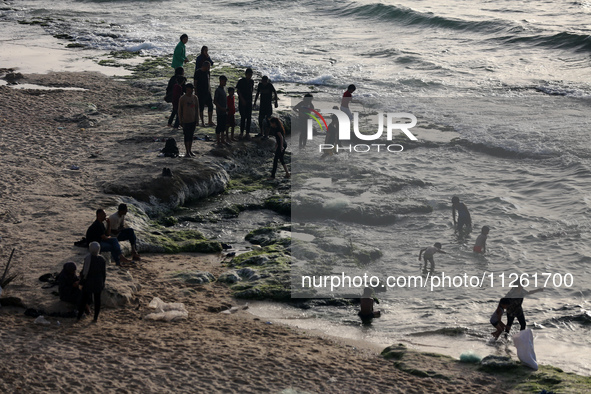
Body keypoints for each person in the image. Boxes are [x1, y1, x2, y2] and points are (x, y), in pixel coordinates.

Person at [77, 242, 107, 322]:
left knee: (84, 300)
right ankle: (95, 318)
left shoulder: (88, 258)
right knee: (97, 301)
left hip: (88, 282)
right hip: (98, 282)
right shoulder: (102, 259)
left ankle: (79, 317)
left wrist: (81, 282)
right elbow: (104, 273)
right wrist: (103, 283)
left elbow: (85, 271)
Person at [178, 83, 199, 157]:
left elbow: (196, 109)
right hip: (185, 121)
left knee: (191, 136)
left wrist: (197, 119)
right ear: (187, 89)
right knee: (186, 136)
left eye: (192, 89)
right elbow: (179, 110)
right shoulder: (182, 98)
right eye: (191, 89)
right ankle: (187, 151)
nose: (192, 90)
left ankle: (190, 150)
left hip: (193, 120)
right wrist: (180, 120)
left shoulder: (195, 98)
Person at [193, 61, 215, 127]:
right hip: (200, 92)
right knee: (201, 107)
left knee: (210, 106)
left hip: (207, 92)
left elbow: (208, 81)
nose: (209, 68)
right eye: (208, 67)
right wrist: (195, 92)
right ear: (204, 66)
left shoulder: (208, 72)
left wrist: (210, 90)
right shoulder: (198, 72)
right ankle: (202, 122)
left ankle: (210, 121)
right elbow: (195, 82)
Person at [236, 68, 254, 139]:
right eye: (249, 74)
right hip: (242, 101)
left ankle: (247, 133)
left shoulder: (252, 81)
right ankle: (241, 132)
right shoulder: (241, 81)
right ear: (246, 74)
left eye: (251, 75)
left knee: (249, 117)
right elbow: (238, 91)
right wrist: (242, 99)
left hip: (249, 101)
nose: (250, 76)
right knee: (243, 117)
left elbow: (251, 91)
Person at [214, 75, 229, 146]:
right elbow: (215, 101)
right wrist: (221, 108)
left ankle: (222, 140)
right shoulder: (218, 90)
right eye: (224, 81)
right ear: (220, 81)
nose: (225, 82)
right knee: (219, 126)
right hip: (220, 111)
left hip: (224, 111)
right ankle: (218, 141)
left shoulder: (223, 89)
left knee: (223, 126)